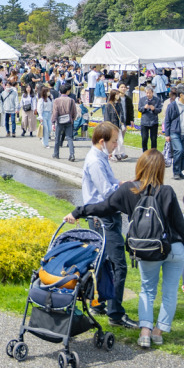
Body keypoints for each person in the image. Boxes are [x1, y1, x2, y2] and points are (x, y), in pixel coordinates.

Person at [66, 151, 184, 349]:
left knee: (147, 290)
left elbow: (103, 207)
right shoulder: (167, 191)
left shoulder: (128, 190)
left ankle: (144, 332)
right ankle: (159, 332)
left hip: (147, 249)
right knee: (169, 292)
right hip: (174, 249)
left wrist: (79, 211)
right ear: (161, 169)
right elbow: (179, 224)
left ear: (140, 166)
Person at [77, 122, 137, 329]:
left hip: (100, 216)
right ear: (102, 141)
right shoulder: (95, 161)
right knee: (118, 264)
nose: (115, 146)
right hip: (103, 218)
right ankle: (116, 313)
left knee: (105, 262)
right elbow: (108, 194)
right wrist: (127, 190)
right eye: (113, 142)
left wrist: (122, 183)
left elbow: (109, 185)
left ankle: (99, 303)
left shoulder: (100, 157)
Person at [51, 84, 77, 161]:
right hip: (68, 120)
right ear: (67, 91)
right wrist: (72, 119)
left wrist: (53, 122)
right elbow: (74, 112)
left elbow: (55, 112)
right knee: (69, 138)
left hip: (60, 121)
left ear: (60, 91)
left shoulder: (56, 100)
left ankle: (56, 153)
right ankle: (72, 154)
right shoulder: (71, 100)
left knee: (57, 138)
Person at [137, 85, 161, 152]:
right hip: (145, 122)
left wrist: (154, 109)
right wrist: (144, 108)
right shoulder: (142, 99)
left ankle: (153, 152)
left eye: (149, 93)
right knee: (144, 138)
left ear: (152, 92)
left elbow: (159, 110)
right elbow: (139, 109)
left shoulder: (157, 100)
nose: (148, 94)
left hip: (154, 121)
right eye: (147, 93)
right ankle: (145, 152)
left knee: (153, 139)